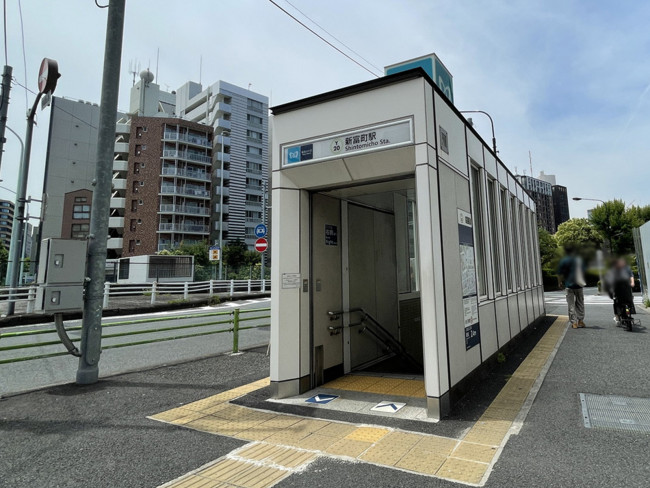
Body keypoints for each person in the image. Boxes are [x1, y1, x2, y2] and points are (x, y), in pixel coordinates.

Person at [557, 246, 587, 328]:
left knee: (571, 304)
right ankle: (581, 321)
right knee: (580, 303)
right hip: (579, 285)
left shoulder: (564, 261)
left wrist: (560, 282)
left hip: (569, 286)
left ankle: (574, 323)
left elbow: (560, 273)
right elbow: (584, 271)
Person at [604, 258, 635, 326]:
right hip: (620, 288)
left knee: (621, 301)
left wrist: (632, 283)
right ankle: (618, 316)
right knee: (619, 300)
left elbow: (631, 276)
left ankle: (618, 317)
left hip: (623, 288)